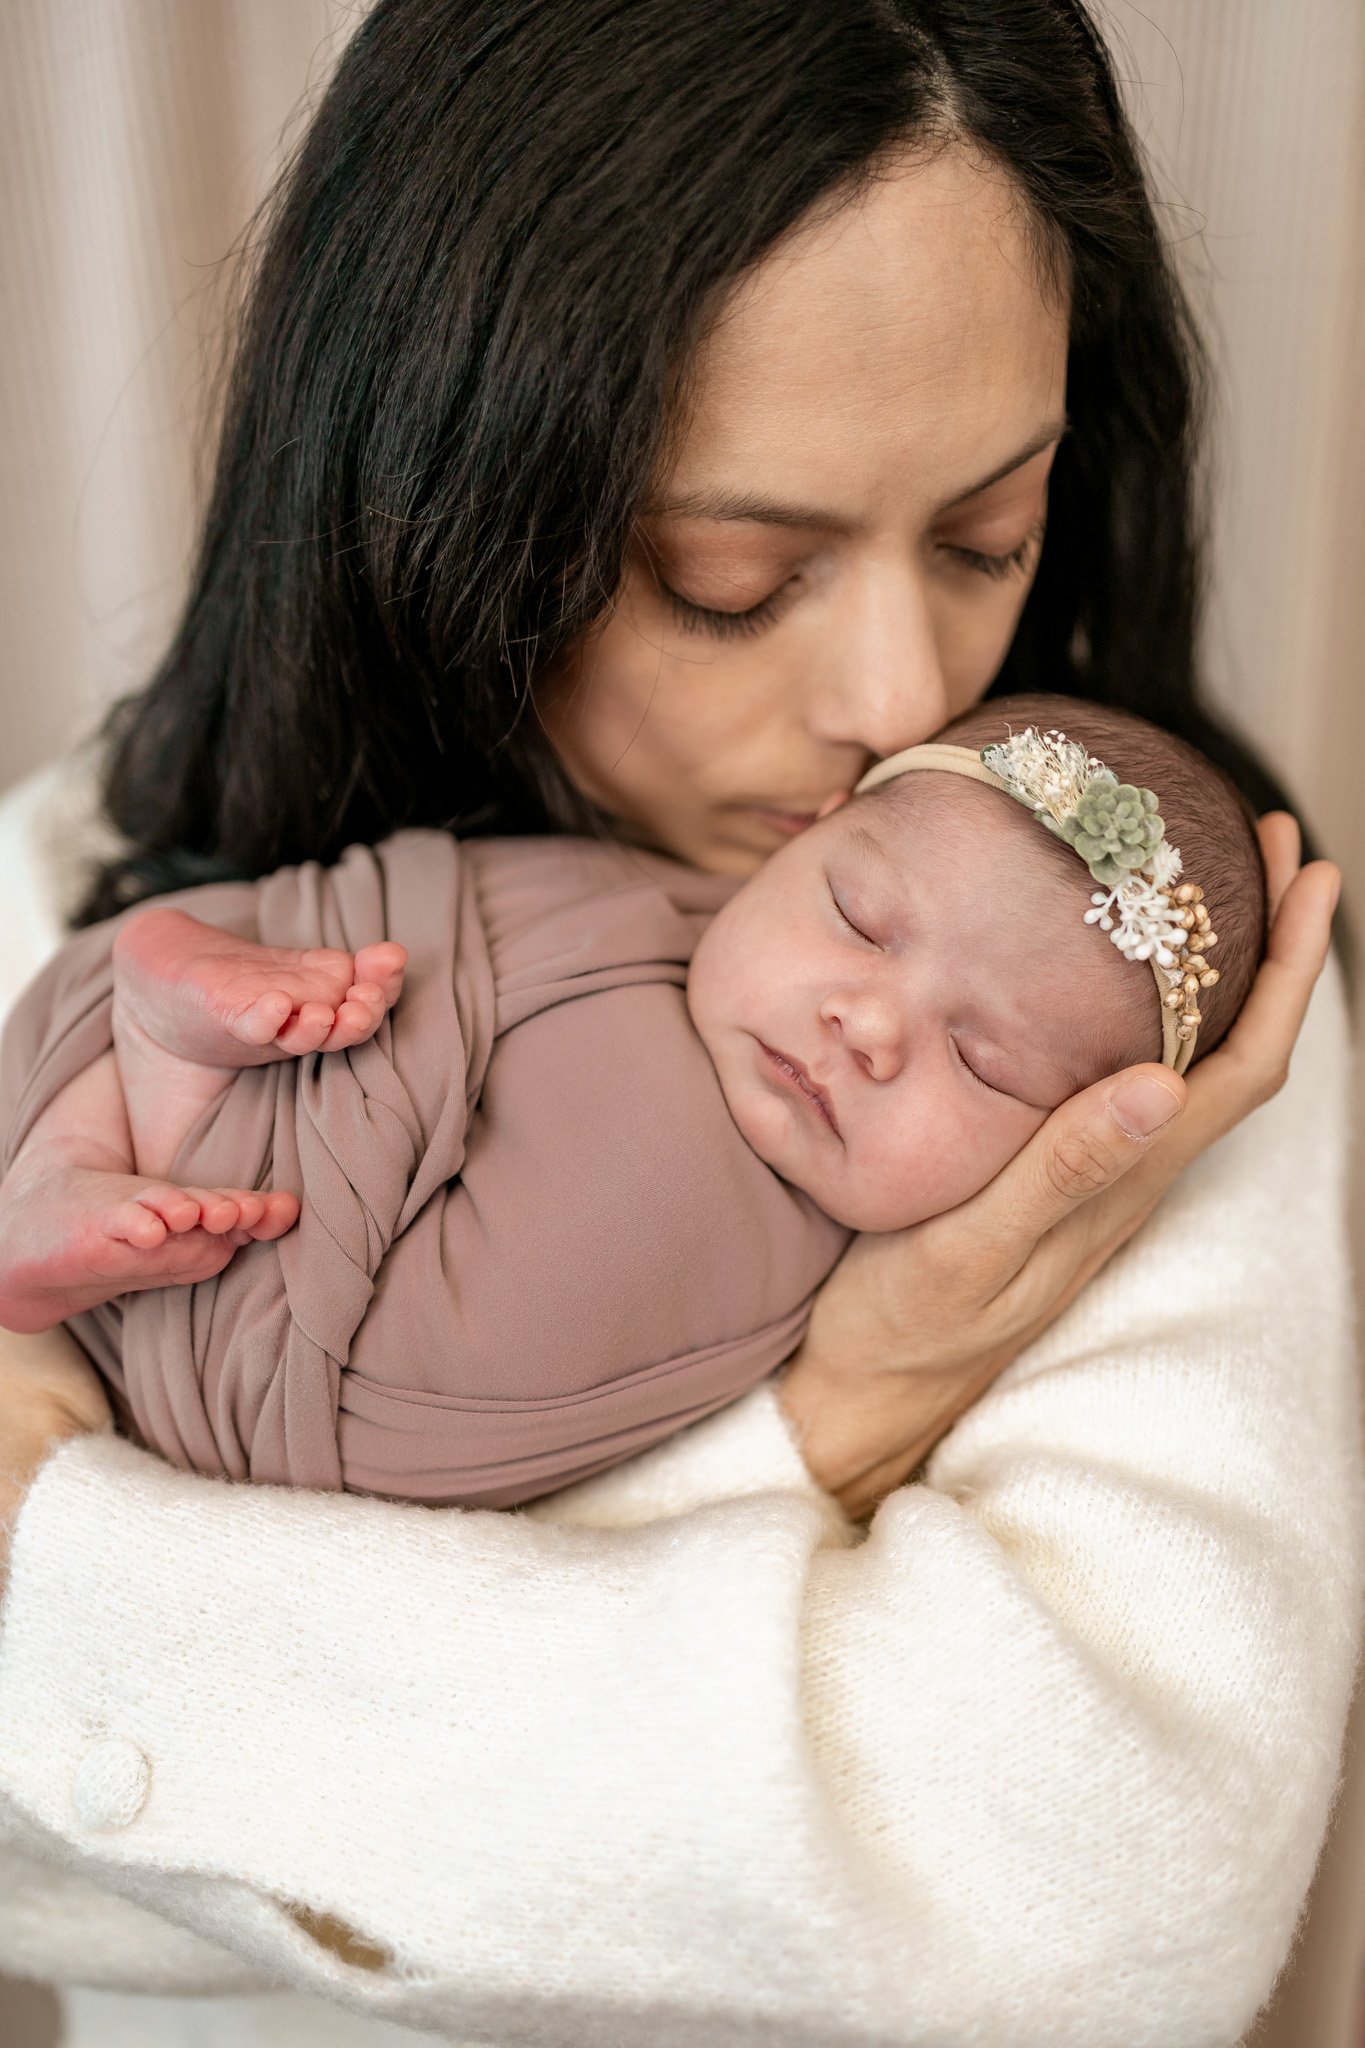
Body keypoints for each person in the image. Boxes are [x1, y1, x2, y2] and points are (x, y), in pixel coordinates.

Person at [0, 3, 1353, 2043]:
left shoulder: (1120, 985)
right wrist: (824, 1455)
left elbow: (1084, 1917)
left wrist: (65, 1565)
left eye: (989, 534)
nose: (903, 699)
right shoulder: (82, 894)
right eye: (732, 577)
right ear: (443, 492)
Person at [0, 696, 1266, 1512]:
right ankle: (111, 1118)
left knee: (391, 1373)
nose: (867, 1025)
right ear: (810, 831)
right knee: (301, 961)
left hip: (297, 1347)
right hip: (305, 1012)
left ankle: (148, 1113)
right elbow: (424, 894)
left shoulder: (854, 1257)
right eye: (856, 917)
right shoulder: (657, 894)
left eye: (985, 1062)